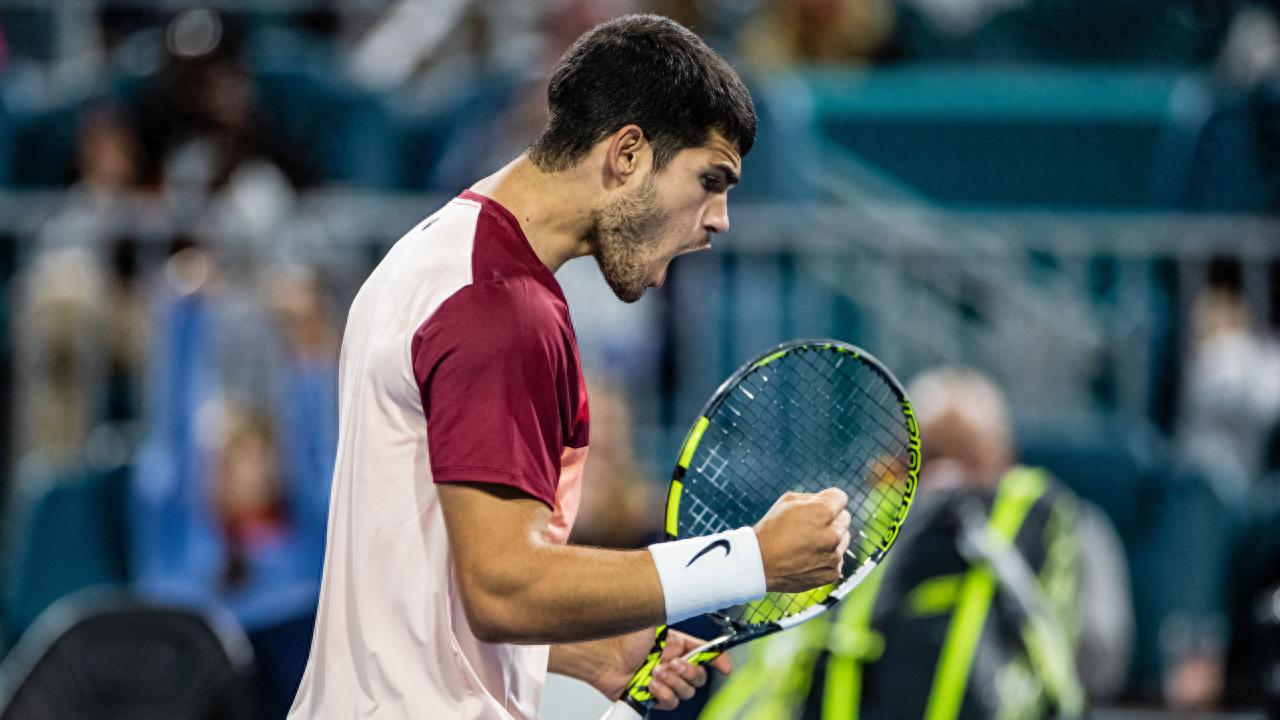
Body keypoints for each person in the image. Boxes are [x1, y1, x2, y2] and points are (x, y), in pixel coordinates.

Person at [288, 15, 852, 720]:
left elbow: (422, 571)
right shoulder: (498, 306)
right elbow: (504, 587)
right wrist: (750, 560)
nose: (720, 219)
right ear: (627, 154)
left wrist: (585, 652)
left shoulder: (436, 254)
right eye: (710, 180)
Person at [701, 368, 1133, 720]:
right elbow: (1103, 662)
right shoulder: (1067, 522)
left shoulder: (835, 525)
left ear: (896, 461)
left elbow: (755, 672)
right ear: (1004, 458)